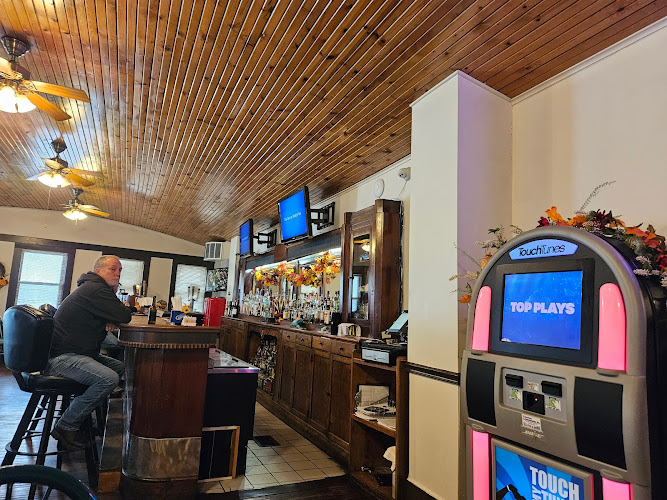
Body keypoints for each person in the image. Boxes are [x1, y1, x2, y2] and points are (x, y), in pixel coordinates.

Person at [46, 255, 140, 450]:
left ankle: (93, 416)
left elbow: (117, 314)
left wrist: (110, 316)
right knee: (109, 379)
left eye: (120, 270)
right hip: (62, 358)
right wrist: (115, 314)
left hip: (78, 352)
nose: (117, 273)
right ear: (98, 271)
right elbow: (124, 315)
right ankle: (66, 425)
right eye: (112, 269)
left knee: (120, 367)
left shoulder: (93, 287)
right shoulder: (96, 289)